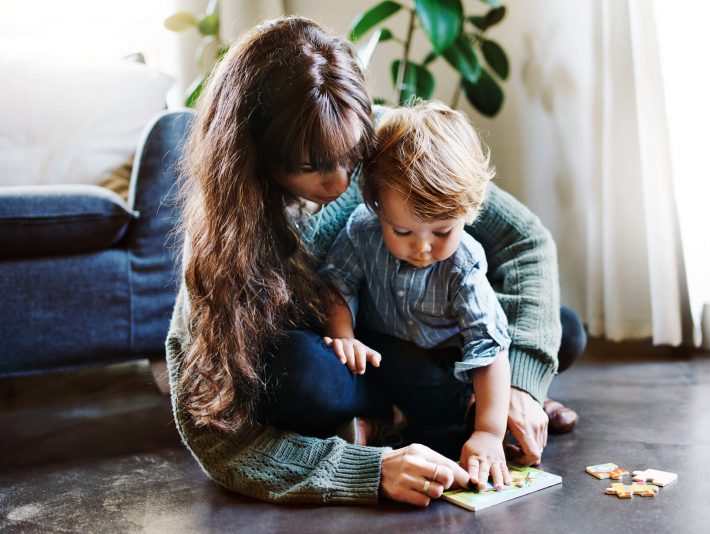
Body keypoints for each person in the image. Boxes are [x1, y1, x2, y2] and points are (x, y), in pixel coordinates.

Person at [166, 16, 585, 508]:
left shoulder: (391, 143)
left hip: (439, 336)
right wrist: (370, 471)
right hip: (357, 361)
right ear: (255, 154)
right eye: (313, 166)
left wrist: (520, 384)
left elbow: (525, 241)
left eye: (351, 156)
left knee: (561, 328)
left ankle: (464, 407)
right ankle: (410, 416)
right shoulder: (224, 234)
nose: (342, 182)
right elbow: (216, 437)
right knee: (294, 373)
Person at [320, 101, 513, 491]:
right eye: (403, 232)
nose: (422, 248)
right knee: (356, 363)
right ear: (376, 206)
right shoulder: (362, 230)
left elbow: (488, 350)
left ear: (469, 211)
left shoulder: (464, 263)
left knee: (563, 333)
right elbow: (335, 285)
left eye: (441, 233)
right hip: (385, 356)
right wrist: (344, 336)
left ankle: (496, 412)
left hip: (447, 366)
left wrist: (489, 434)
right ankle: (399, 419)